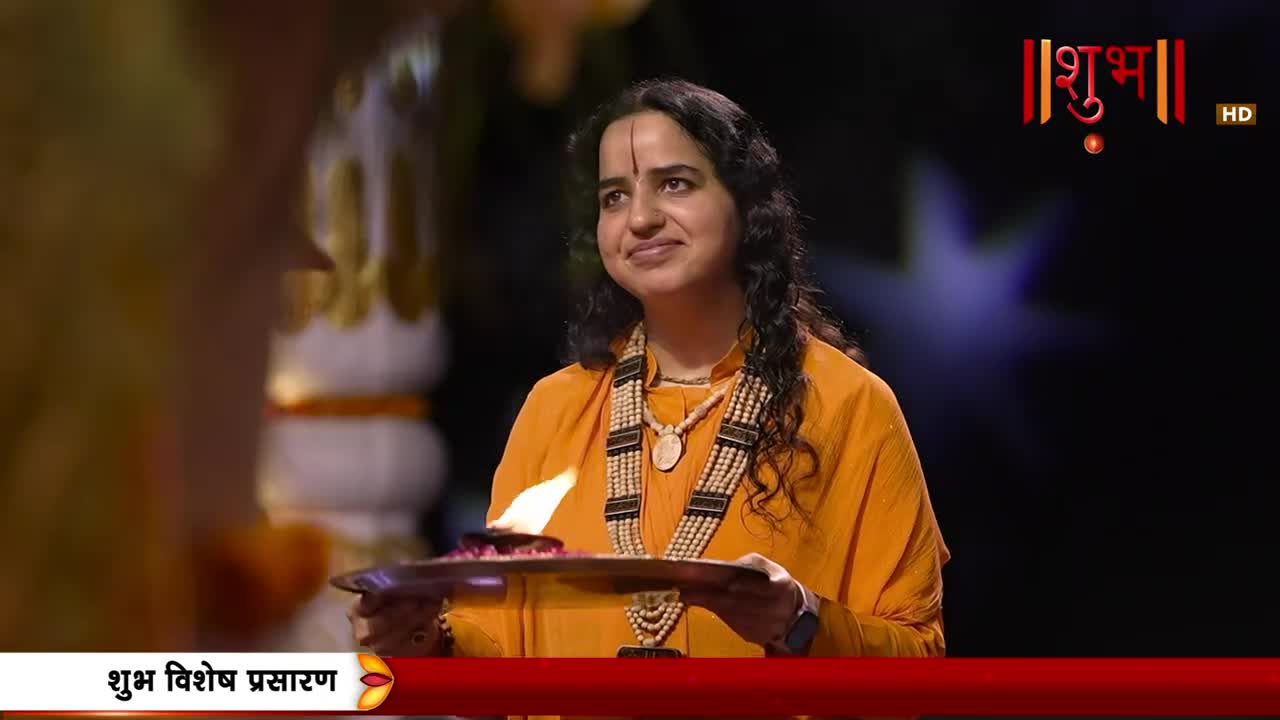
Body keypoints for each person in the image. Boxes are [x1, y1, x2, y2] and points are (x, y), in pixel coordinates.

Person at [349, 78, 949, 660]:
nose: (639, 219)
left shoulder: (848, 404)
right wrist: (424, 641)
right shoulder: (557, 408)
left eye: (675, 185)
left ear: (745, 206)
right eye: (614, 197)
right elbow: (502, 655)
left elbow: (916, 660)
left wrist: (798, 621)